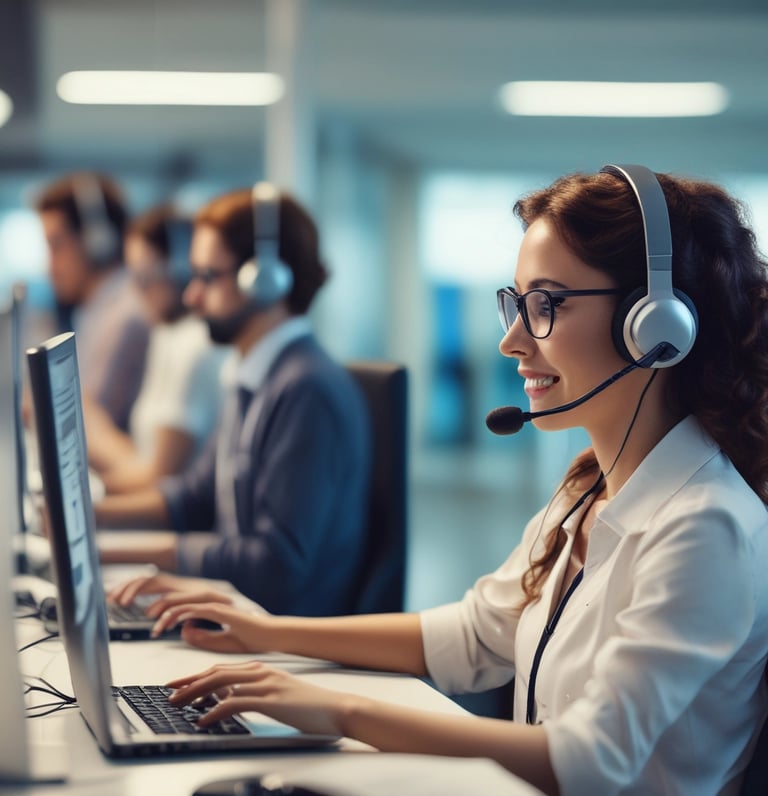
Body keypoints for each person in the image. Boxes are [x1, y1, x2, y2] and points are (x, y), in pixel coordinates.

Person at [127, 166, 768, 795]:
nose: (512, 341)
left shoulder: (706, 527)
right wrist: (267, 630)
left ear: (654, 326)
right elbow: (472, 635)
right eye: (515, 304)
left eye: (545, 304)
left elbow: (591, 760)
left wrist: (340, 713)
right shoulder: (586, 492)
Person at [95, 184, 372, 617]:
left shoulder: (305, 389)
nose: (192, 297)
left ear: (265, 278)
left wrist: (140, 558)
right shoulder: (253, 378)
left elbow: (278, 564)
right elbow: (195, 497)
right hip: (241, 616)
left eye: (207, 277)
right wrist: (90, 523)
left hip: (284, 640)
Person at [84, 204, 229, 494]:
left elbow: (158, 478)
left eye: (146, 278)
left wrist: (87, 492)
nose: (137, 293)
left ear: (181, 271)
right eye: (134, 279)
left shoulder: (193, 346)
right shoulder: (167, 336)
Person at [34, 171, 150, 431]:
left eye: (56, 245)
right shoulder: (97, 309)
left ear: (97, 240)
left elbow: (79, 426)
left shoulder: (125, 315)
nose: (49, 267)